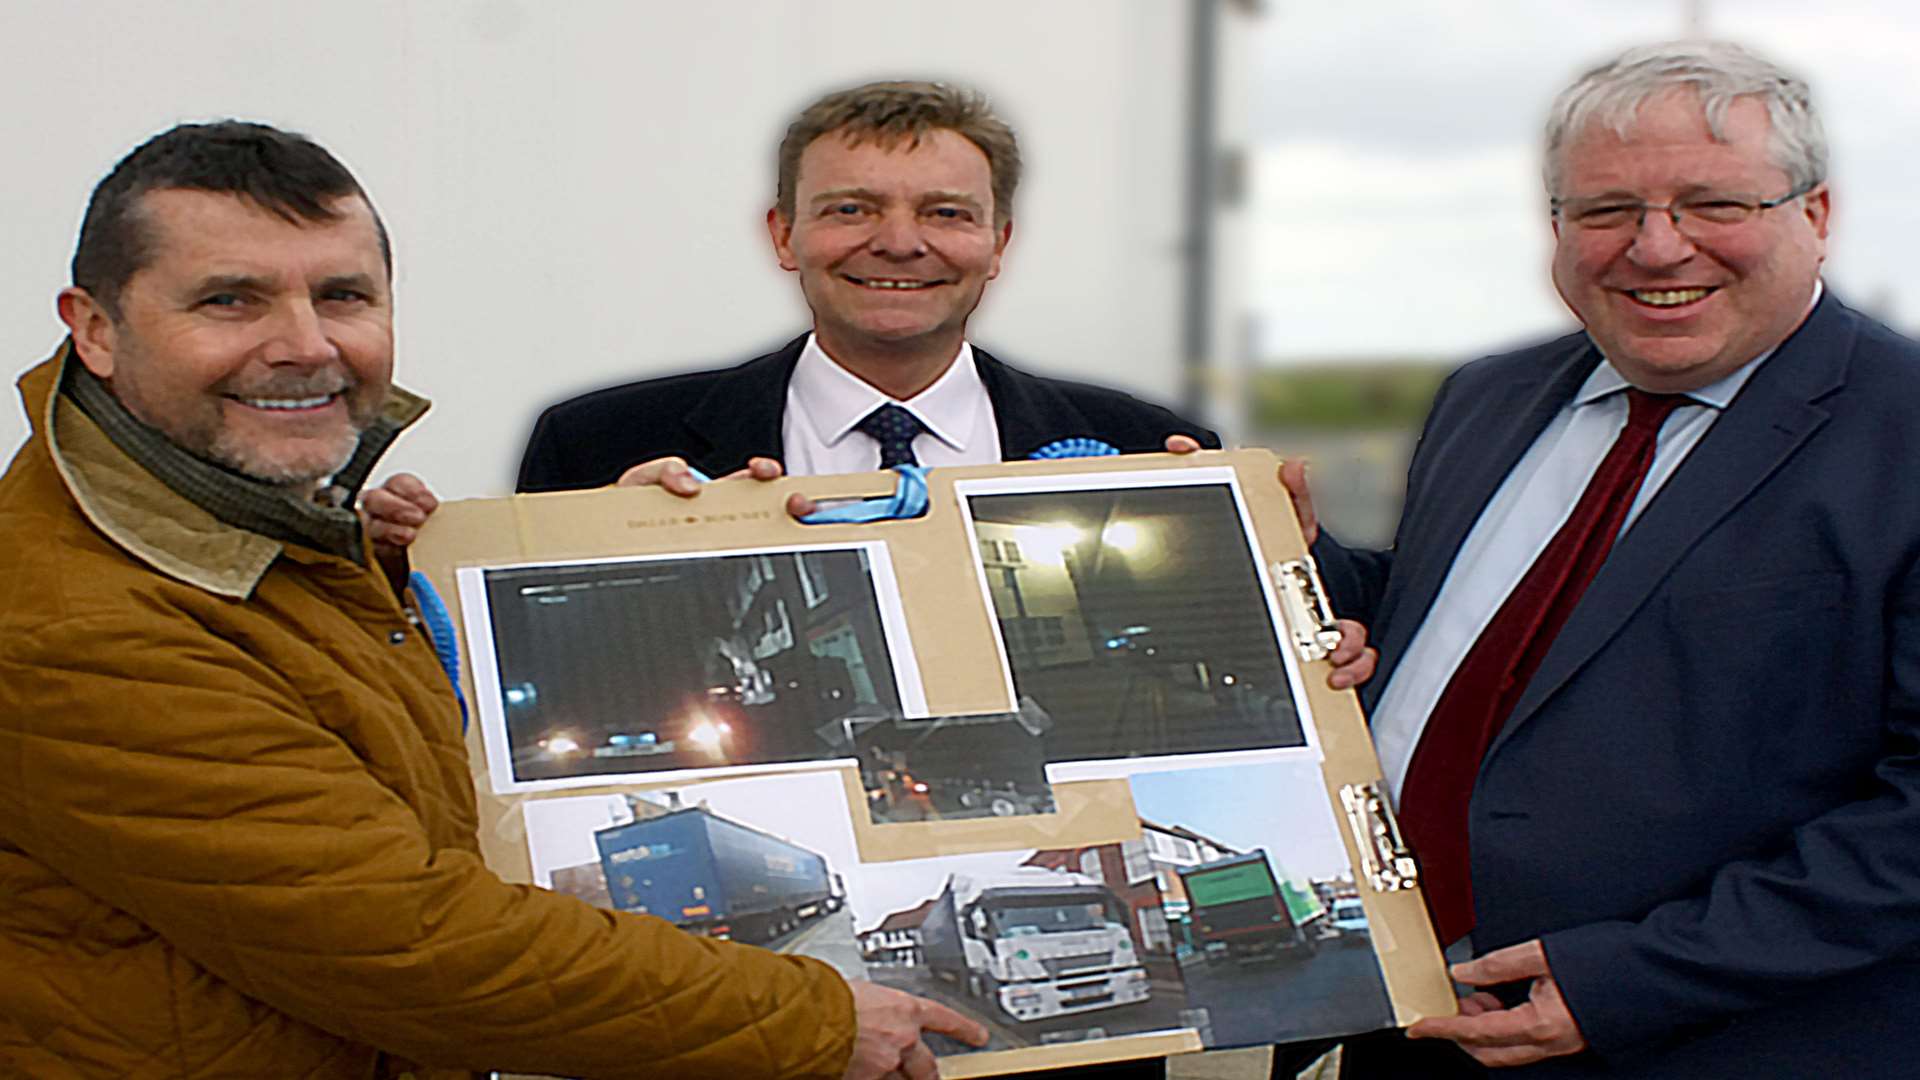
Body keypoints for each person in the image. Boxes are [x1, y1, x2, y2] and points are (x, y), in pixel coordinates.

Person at [0, 120, 986, 1080]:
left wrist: (627, 559)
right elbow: (415, 942)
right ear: (95, 327)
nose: (305, 344)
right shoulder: (76, 625)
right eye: (230, 301)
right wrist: (808, 1022)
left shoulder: (263, 533)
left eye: (343, 295)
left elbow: (363, 749)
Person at [1288, 40, 1920, 1079]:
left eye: (1712, 204)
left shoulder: (1900, 432)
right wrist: (1303, 565)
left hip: (1705, 1040)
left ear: (1816, 215)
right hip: (1405, 1022)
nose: (1657, 248)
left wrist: (1636, 976)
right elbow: (1465, 644)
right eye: (1606, 210)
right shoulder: (1487, 398)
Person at [515, 80, 1219, 499]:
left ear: (998, 245)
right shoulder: (594, 450)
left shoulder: (1150, 449)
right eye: (851, 209)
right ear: (784, 236)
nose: (899, 242)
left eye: (946, 213)